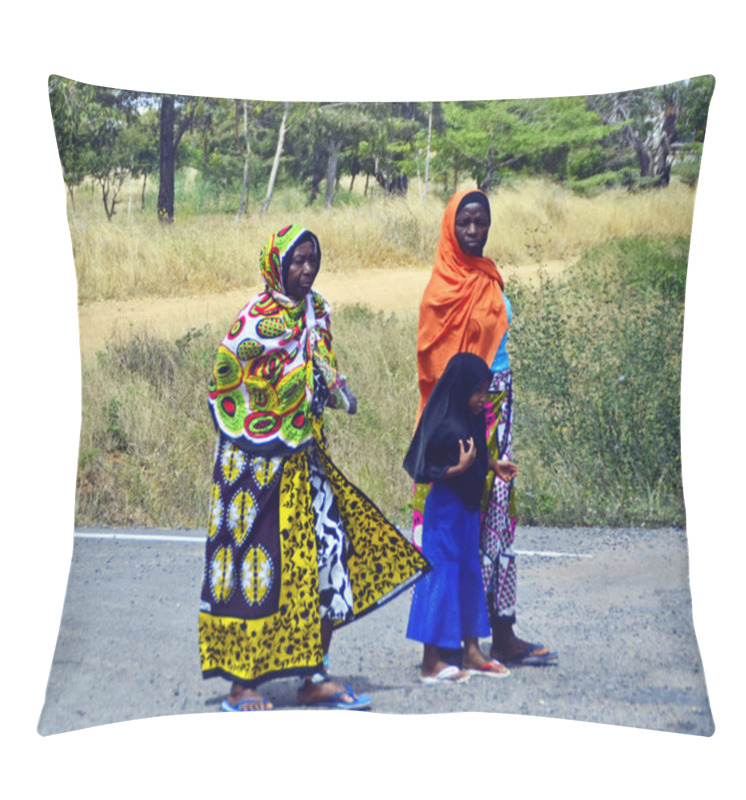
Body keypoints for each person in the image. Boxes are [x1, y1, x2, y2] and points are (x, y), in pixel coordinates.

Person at [199, 225, 430, 711]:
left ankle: (313, 674)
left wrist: (335, 389)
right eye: (297, 261)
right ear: (276, 265)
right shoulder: (254, 320)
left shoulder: (317, 310)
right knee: (256, 571)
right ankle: (243, 684)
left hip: (308, 462)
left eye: (312, 260)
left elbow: (320, 365)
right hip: (256, 469)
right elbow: (227, 387)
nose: (306, 270)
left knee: (331, 556)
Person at [413, 189, 557, 667]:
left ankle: (502, 632)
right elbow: (438, 372)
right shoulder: (440, 290)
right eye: (465, 223)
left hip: (500, 408)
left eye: (481, 222)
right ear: (450, 227)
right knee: (456, 526)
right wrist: (458, 431)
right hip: (461, 417)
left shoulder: (490, 278)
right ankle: (450, 641)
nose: (473, 231)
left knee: (498, 520)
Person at [404, 353, 515, 682]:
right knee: (440, 576)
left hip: (467, 510)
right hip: (445, 512)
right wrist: (459, 468)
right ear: (462, 387)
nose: (483, 399)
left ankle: (470, 650)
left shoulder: (470, 416)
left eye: (485, 391)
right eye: (478, 392)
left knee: (469, 573)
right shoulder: (442, 424)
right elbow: (426, 470)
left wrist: (493, 465)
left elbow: (478, 448)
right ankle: (431, 661)